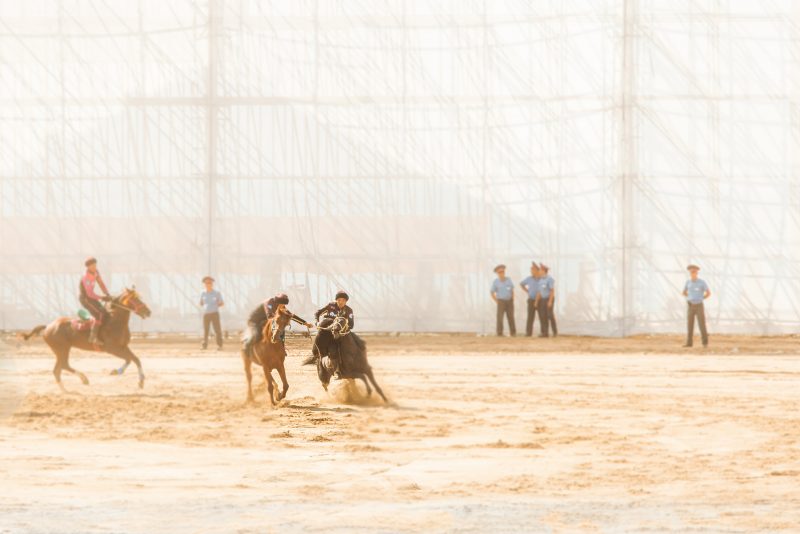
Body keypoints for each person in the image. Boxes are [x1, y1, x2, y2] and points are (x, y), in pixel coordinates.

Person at [242, 293, 312, 357]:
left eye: (284, 305)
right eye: (282, 304)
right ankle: (246, 347)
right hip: (255, 321)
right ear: (278, 302)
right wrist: (279, 320)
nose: (284, 306)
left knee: (280, 329)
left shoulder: (281, 307)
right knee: (256, 334)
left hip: (265, 321)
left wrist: (306, 323)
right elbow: (269, 316)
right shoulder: (268, 302)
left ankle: (281, 348)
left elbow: (291, 315)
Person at [314, 290, 355, 374]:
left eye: (343, 300)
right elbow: (317, 313)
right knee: (318, 342)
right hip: (327, 331)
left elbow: (351, 325)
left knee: (341, 349)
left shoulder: (349, 310)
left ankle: (339, 370)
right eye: (339, 300)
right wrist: (317, 322)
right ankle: (318, 356)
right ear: (336, 300)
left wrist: (342, 328)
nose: (341, 302)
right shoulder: (330, 306)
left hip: (339, 333)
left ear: (346, 301)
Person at [79, 257, 111, 346]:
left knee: (105, 312)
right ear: (88, 267)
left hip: (91, 298)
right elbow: (89, 293)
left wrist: (107, 294)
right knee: (99, 314)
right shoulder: (86, 277)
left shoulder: (96, 272)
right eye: (92, 265)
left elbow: (101, 283)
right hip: (85, 299)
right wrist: (102, 297)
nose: (94, 267)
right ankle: (93, 337)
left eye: (95, 265)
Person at [682, 264, 710, 347]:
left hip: (699, 305)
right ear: (690, 273)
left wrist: (701, 298)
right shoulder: (688, 282)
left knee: (702, 324)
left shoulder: (702, 282)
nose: (693, 273)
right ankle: (689, 343)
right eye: (691, 271)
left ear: (697, 272)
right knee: (690, 324)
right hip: (690, 305)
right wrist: (690, 297)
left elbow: (708, 293)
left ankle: (705, 343)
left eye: (694, 271)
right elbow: (684, 292)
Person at [199, 276, 224, 350]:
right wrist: (204, 305)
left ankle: (219, 345)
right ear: (204, 284)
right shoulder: (202, 293)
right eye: (206, 283)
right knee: (206, 330)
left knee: (217, 330)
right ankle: (204, 345)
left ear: (212, 284)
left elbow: (222, 303)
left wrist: (216, 305)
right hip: (206, 314)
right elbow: (201, 303)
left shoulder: (216, 293)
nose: (208, 284)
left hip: (214, 313)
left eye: (210, 283)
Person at [491, 264, 516, 336]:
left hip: (509, 301)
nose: (501, 274)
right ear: (497, 274)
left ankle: (513, 332)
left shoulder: (509, 280)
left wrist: (513, 298)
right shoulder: (496, 282)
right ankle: (499, 333)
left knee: (511, 317)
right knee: (500, 317)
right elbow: (492, 292)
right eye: (499, 273)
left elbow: (512, 289)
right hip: (501, 301)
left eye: (502, 272)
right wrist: (496, 300)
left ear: (504, 272)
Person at [520, 262, 541, 337]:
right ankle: (528, 333)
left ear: (537, 270)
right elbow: (521, 284)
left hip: (540, 301)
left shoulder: (541, 279)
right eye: (531, 270)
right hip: (531, 299)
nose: (531, 271)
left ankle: (543, 332)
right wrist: (527, 291)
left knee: (541, 316)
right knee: (530, 317)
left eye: (533, 269)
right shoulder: (529, 278)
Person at [537, 263, 557, 337]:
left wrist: (550, 301)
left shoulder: (549, 279)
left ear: (543, 271)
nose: (539, 271)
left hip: (549, 298)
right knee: (543, 316)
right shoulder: (540, 280)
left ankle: (555, 332)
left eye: (540, 270)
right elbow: (539, 291)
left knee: (550, 315)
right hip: (542, 299)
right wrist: (537, 301)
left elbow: (552, 290)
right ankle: (545, 333)